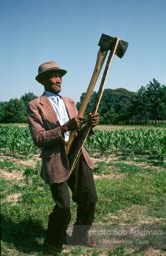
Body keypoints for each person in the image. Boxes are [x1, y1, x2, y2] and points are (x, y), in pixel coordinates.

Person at [27, 61, 99, 256]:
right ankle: (51, 248)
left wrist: (89, 126)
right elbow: (39, 138)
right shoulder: (35, 105)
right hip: (56, 158)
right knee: (63, 207)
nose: (58, 79)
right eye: (53, 75)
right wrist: (66, 127)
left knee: (89, 198)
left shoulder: (70, 101)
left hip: (77, 154)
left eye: (60, 75)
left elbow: (79, 133)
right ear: (43, 80)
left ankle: (79, 237)